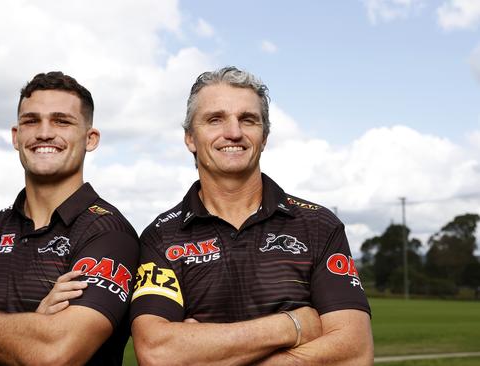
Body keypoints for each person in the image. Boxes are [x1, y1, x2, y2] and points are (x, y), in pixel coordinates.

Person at [130, 66, 373, 365]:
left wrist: (203, 350)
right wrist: (292, 325)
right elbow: (157, 353)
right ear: (190, 138)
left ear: (264, 136)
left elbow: (353, 353)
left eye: (248, 120)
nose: (233, 132)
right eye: (215, 119)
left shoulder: (319, 225)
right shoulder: (161, 236)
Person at [0, 71, 140, 366]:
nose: (44, 132)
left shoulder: (108, 233)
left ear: (90, 138)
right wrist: (31, 328)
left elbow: (53, 355)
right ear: (16, 137)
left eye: (62, 121)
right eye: (31, 120)